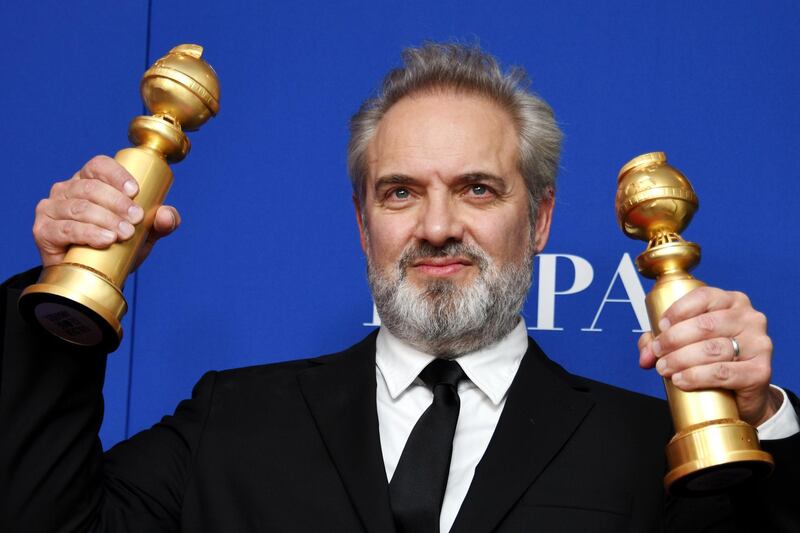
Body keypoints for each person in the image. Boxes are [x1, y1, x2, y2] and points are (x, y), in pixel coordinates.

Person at [1, 42, 798, 532]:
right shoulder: (231, 420)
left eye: (479, 189)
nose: (439, 224)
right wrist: (62, 295)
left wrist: (763, 419)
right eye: (401, 192)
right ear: (362, 220)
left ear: (543, 217)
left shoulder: (643, 445)